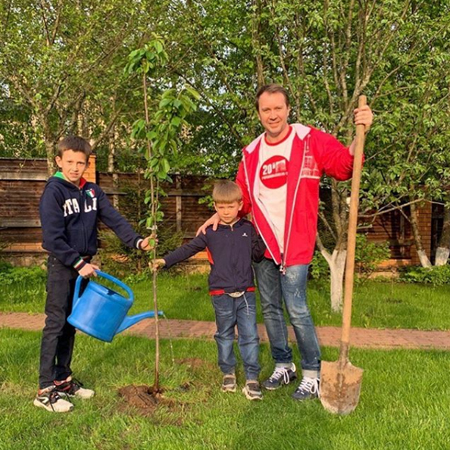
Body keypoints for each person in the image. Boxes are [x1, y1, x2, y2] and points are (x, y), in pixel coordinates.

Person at [199, 83, 373, 401]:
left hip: (296, 241)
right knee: (270, 308)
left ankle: (312, 372)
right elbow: (241, 200)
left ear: (288, 110)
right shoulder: (251, 154)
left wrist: (360, 133)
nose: (273, 114)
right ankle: (283, 364)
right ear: (259, 114)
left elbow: (343, 166)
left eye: (278, 108)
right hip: (262, 243)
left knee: (297, 308)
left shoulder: (308, 140)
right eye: (266, 109)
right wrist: (219, 216)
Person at [35, 136, 153, 413]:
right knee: (55, 324)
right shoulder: (54, 192)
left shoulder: (92, 192)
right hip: (63, 266)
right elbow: (52, 238)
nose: (76, 168)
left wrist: (136, 241)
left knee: (70, 324)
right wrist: (77, 263)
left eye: (81, 163)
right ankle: (44, 390)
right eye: (70, 162)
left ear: (87, 164)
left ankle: (63, 380)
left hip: (82, 267)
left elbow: (114, 219)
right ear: (59, 161)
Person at [154, 180, 266, 400]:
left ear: (240, 205)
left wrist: (260, 238)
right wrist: (165, 261)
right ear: (215, 207)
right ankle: (228, 373)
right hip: (220, 294)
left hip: (246, 292)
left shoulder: (248, 229)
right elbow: (188, 249)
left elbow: (258, 254)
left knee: (250, 335)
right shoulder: (210, 232)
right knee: (224, 335)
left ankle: (252, 378)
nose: (226, 211)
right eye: (221, 207)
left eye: (231, 206)